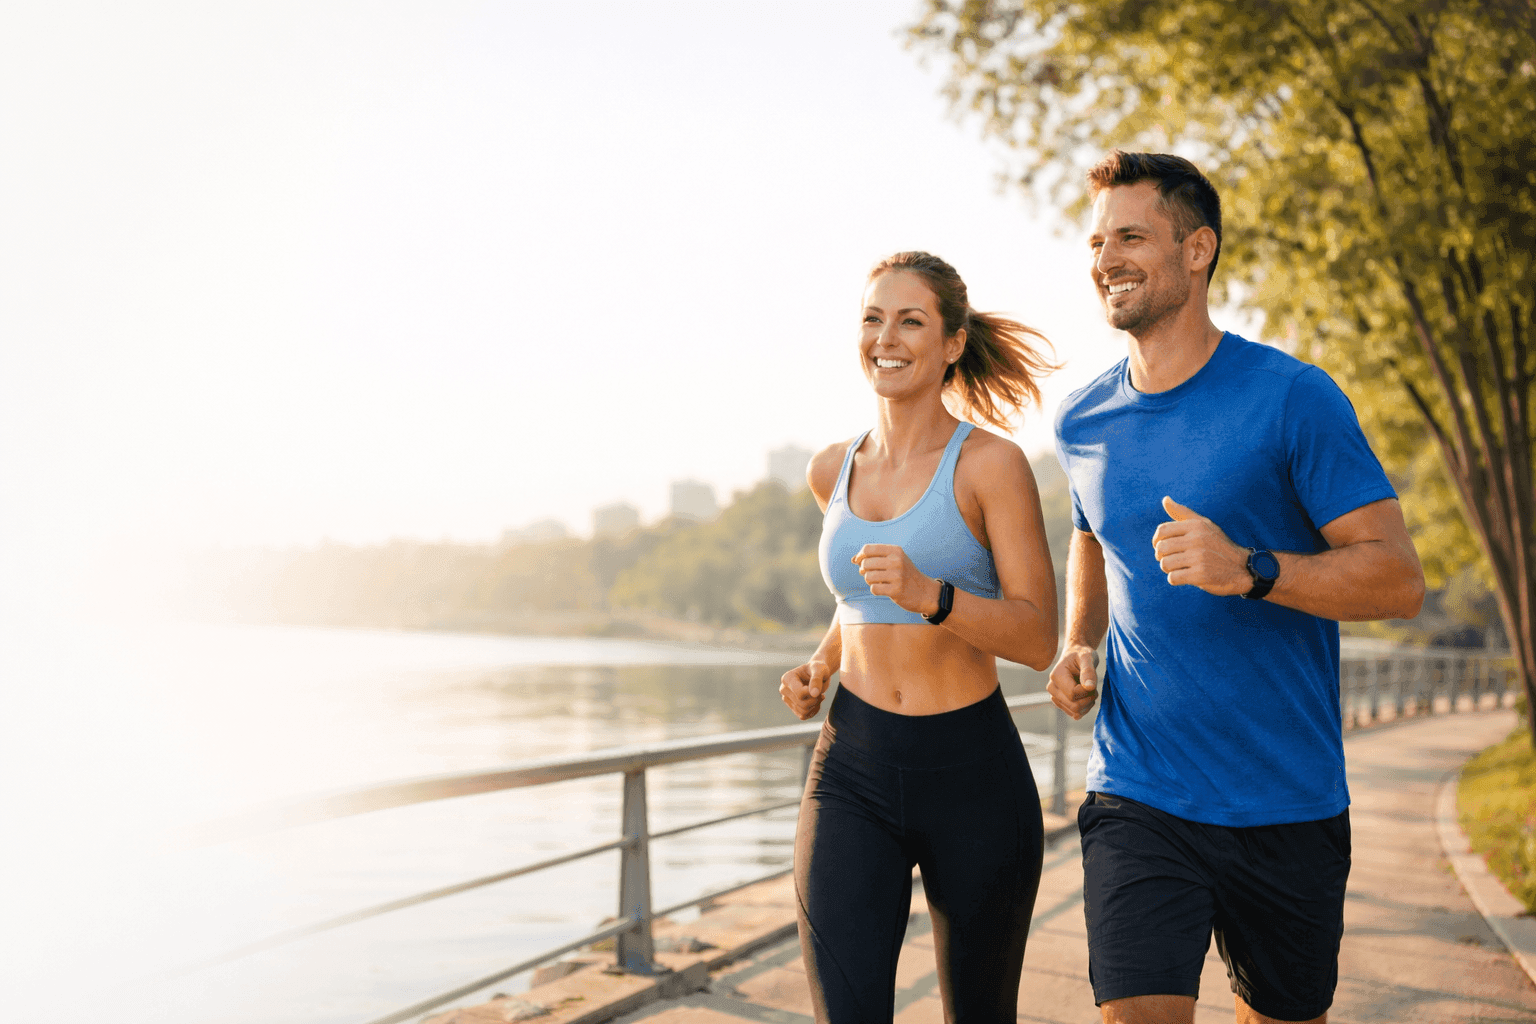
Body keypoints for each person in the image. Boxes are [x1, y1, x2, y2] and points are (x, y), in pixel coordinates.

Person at [1048, 151, 1426, 1024]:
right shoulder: (1081, 419)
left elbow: (1398, 579)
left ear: (1198, 250)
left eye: (1131, 237)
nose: (1107, 258)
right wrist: (1078, 640)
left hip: (1285, 800)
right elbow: (1090, 535)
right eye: (1098, 242)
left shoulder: (1294, 398)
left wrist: (1249, 569)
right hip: (1138, 790)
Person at [778, 251, 1059, 1024]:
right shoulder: (831, 469)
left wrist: (934, 596)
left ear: (952, 342)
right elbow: (858, 601)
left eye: (910, 321)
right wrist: (820, 664)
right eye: (873, 319)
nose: (886, 338)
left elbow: (1039, 636)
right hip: (852, 769)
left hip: (973, 775)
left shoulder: (991, 465)